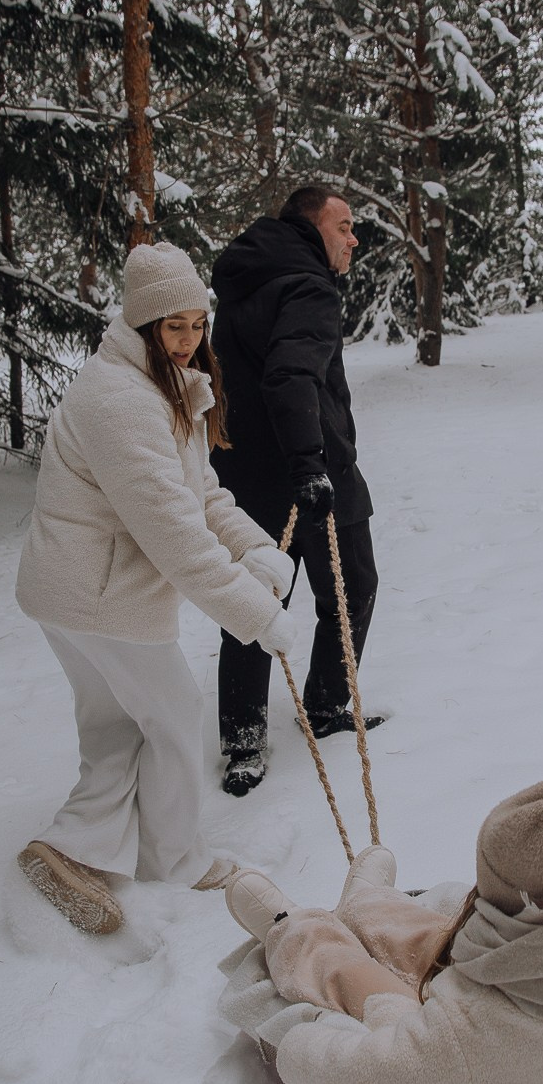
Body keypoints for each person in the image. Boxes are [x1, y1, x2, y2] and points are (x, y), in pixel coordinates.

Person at [13, 243, 298, 936]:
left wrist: (254, 546)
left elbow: (200, 492)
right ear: (143, 323)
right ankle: (175, 860)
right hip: (100, 594)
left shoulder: (155, 385)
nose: (190, 339)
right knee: (172, 715)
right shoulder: (121, 401)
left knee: (117, 723)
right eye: (175, 326)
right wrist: (255, 612)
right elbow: (173, 532)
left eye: (198, 324)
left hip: (74, 590)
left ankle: (69, 848)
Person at [224, 782, 543, 1084]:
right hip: (532, 999)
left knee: (353, 977)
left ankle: (295, 930)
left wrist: (299, 1046)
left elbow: (357, 1077)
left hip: (470, 1032)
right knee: (445, 940)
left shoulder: (467, 1037)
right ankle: (369, 905)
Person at [210, 186, 381, 796]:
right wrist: (310, 465)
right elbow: (289, 376)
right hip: (315, 473)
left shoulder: (246, 281)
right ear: (311, 227)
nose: (353, 239)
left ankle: (244, 742)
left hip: (245, 479)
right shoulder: (309, 287)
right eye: (344, 226)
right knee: (352, 587)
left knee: (255, 601)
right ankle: (327, 707)